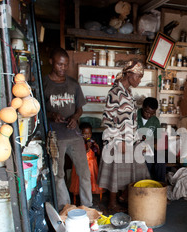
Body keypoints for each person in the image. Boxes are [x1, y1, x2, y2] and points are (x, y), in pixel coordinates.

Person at [98, 60, 150, 213]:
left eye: (141, 77)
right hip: (117, 140)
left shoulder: (128, 92)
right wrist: (116, 141)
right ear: (128, 74)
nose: (139, 80)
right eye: (138, 76)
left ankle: (124, 197)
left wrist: (138, 140)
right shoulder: (115, 92)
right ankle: (112, 203)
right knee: (116, 170)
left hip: (129, 139)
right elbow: (108, 119)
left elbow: (130, 119)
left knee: (136, 169)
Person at [43, 47, 92, 210]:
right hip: (55, 137)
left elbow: (80, 108)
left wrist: (75, 118)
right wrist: (51, 114)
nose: (63, 68)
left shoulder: (73, 84)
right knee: (59, 174)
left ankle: (87, 206)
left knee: (84, 172)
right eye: (59, 65)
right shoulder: (44, 83)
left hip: (74, 134)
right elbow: (37, 108)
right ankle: (65, 207)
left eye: (65, 65)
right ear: (52, 62)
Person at [69, 122, 103, 204]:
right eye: (84, 134)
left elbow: (98, 154)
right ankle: (78, 198)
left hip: (92, 165)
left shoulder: (93, 142)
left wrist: (97, 148)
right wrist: (87, 148)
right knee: (81, 181)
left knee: (92, 179)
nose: (87, 136)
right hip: (82, 165)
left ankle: (92, 195)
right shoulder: (79, 143)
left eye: (89, 134)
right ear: (80, 134)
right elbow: (79, 156)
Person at [137, 97, 166, 183]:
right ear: (142, 107)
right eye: (147, 112)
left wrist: (151, 143)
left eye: (152, 113)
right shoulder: (134, 115)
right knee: (147, 161)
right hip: (135, 147)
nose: (148, 115)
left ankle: (159, 186)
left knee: (161, 161)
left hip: (150, 147)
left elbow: (158, 138)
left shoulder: (155, 121)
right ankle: (147, 186)